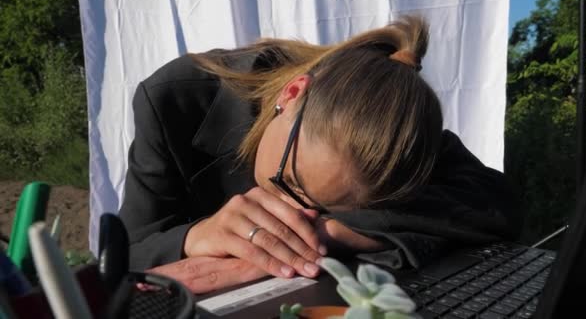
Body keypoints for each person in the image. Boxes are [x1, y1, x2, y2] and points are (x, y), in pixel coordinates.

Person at [118, 15, 521, 293]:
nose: (292, 216)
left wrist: (332, 231)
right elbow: (125, 252)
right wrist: (197, 236)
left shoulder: (393, 133)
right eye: (287, 182)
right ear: (291, 94)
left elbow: (496, 203)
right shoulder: (175, 99)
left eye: (328, 207)